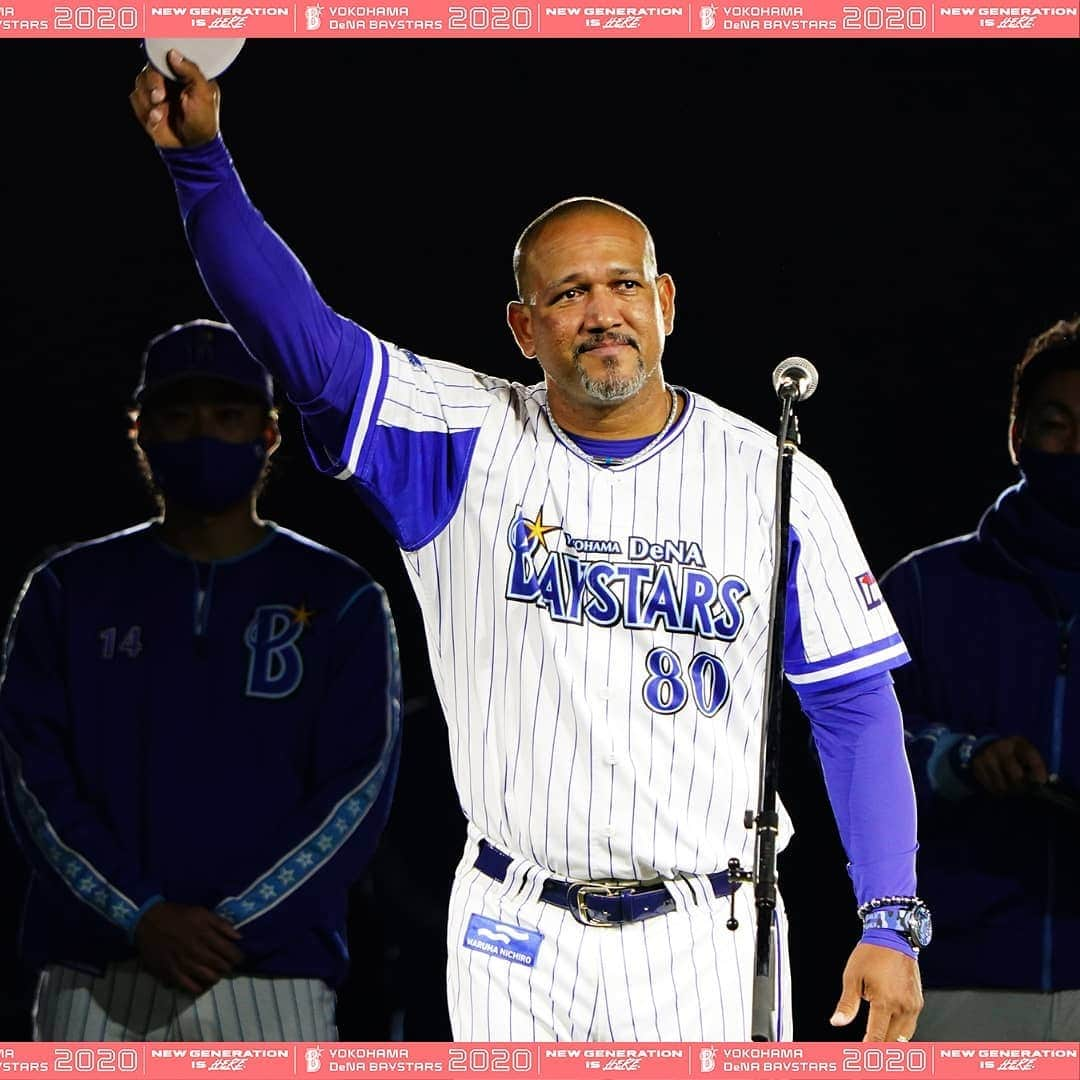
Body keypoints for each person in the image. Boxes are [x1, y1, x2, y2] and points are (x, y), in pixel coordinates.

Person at [127, 51, 927, 1043]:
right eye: (568, 293)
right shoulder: (456, 436)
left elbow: (851, 704)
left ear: (666, 303)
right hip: (515, 928)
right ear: (523, 326)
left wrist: (890, 914)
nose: (602, 312)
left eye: (623, 284)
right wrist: (202, 166)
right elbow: (297, 336)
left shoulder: (775, 477)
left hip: (707, 929)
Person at [0, 318, 403, 1041]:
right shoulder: (68, 590)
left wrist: (231, 923)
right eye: (178, 414)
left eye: (227, 414)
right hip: (97, 973)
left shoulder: (341, 597)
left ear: (269, 432)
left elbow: (355, 792)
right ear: (140, 430)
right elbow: (34, 780)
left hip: (268, 973)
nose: (202, 435)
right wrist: (139, 913)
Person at [879, 316, 1080, 1041]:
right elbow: (853, 745)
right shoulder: (927, 586)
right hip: (957, 977)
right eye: (1057, 423)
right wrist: (959, 758)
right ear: (1016, 432)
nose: (1076, 447)